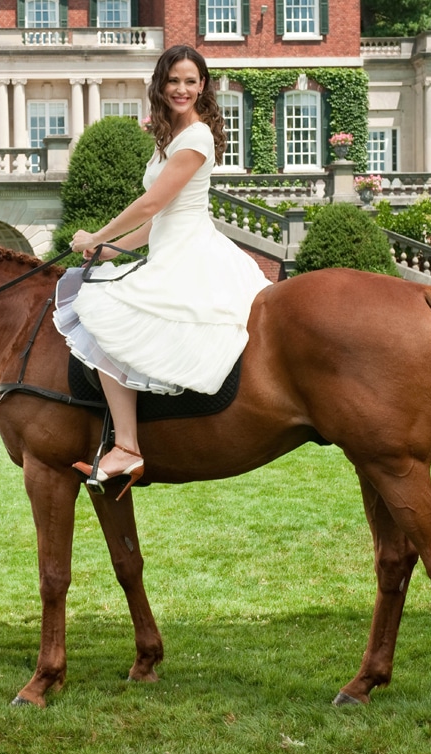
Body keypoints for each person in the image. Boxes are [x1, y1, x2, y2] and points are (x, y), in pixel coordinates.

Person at [53, 45, 272, 498]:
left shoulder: (196, 137)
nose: (182, 89)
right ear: (161, 83)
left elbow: (151, 203)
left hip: (191, 255)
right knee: (99, 295)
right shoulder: (171, 138)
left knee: (99, 307)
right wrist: (114, 249)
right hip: (168, 247)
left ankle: (128, 447)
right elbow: (157, 221)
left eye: (191, 81)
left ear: (203, 86)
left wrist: (95, 236)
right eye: (174, 80)